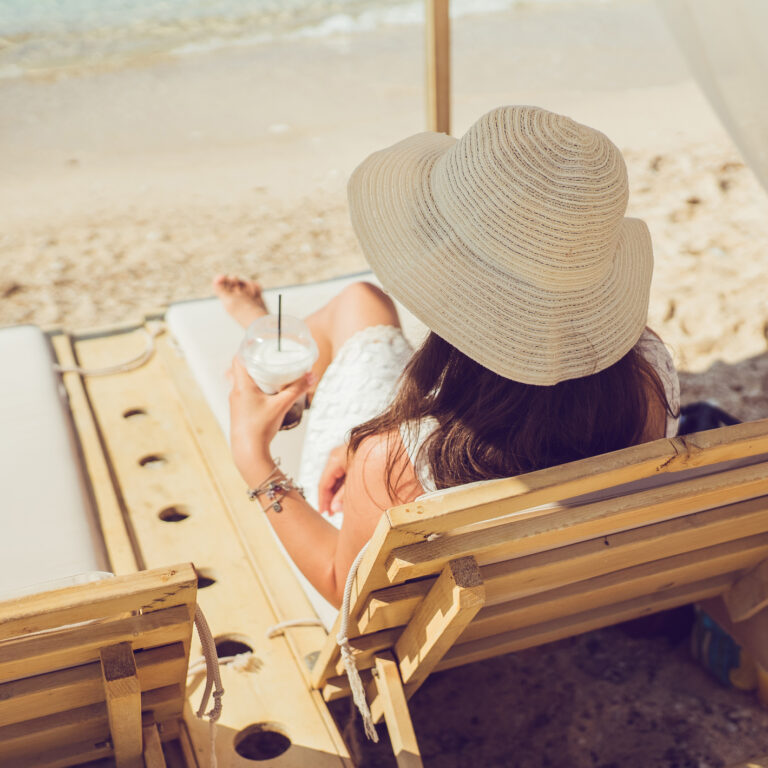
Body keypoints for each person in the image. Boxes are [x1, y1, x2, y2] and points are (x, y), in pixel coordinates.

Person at [215, 105, 680, 608]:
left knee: (360, 302)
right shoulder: (650, 371)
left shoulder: (397, 461)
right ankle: (275, 338)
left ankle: (272, 341)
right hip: (557, 593)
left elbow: (342, 587)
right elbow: (538, 407)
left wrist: (255, 460)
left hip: (440, 606)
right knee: (361, 305)